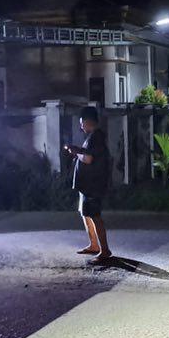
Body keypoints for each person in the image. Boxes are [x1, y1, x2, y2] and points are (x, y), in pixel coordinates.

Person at [63, 106, 112, 262]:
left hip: (93, 185)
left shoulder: (96, 137)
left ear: (87, 121)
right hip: (87, 185)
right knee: (86, 214)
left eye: (81, 123)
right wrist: (77, 151)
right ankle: (94, 245)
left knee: (95, 216)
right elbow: (88, 156)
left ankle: (104, 250)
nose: (80, 126)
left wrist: (75, 151)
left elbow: (89, 159)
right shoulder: (93, 137)